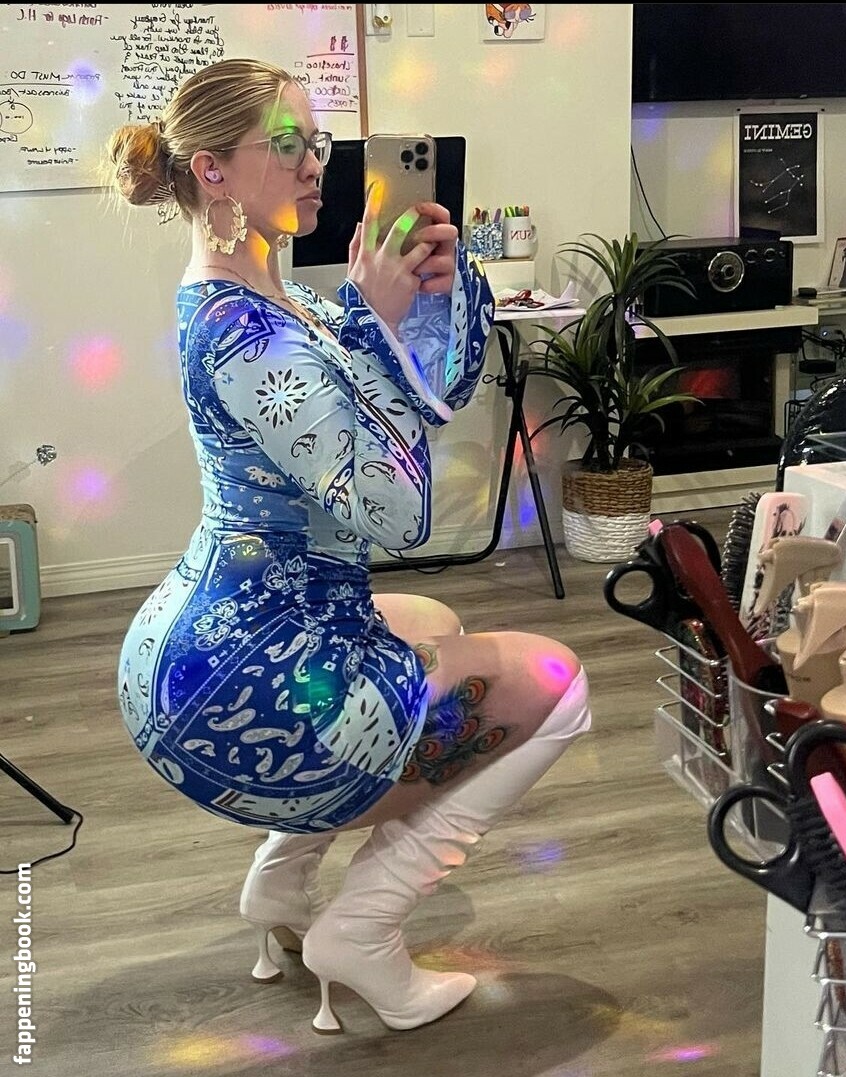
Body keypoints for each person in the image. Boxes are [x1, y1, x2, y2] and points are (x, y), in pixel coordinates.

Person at [107, 58, 591, 1034]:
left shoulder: (279, 305)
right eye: (286, 144)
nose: (314, 164)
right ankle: (361, 931)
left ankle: (280, 886)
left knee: (434, 621)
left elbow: (432, 394)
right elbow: (399, 516)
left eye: (317, 142)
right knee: (559, 683)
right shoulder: (246, 335)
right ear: (210, 170)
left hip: (222, 637)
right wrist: (373, 322)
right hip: (237, 687)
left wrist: (438, 293)